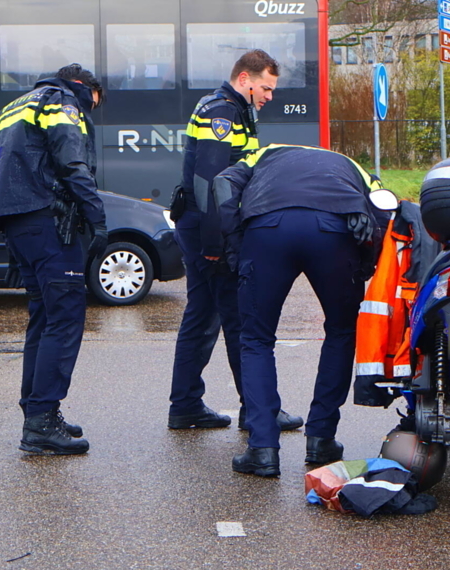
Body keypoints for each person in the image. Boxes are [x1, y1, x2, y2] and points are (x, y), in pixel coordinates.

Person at [213, 144, 390, 477]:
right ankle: (321, 439)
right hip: (334, 234)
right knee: (341, 331)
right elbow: (383, 207)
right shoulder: (350, 163)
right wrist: (365, 264)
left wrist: (235, 244)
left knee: (255, 339)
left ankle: (262, 448)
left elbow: (223, 184)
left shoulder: (262, 154)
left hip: (268, 230)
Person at [167, 49, 303, 432]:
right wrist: (215, 244)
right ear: (244, 78)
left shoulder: (232, 109)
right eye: (265, 87)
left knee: (203, 317)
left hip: (202, 227)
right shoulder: (222, 112)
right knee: (239, 318)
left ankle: (186, 405)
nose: (269, 95)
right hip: (208, 230)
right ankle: (258, 410)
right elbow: (209, 182)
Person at [0, 64, 108, 455]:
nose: (92, 110)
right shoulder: (62, 101)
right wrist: (97, 217)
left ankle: (37, 411)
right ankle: (40, 422)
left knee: (42, 319)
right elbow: (71, 162)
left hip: (17, 223)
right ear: (85, 88)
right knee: (65, 317)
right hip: (49, 221)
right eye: (95, 102)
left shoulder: (13, 107)